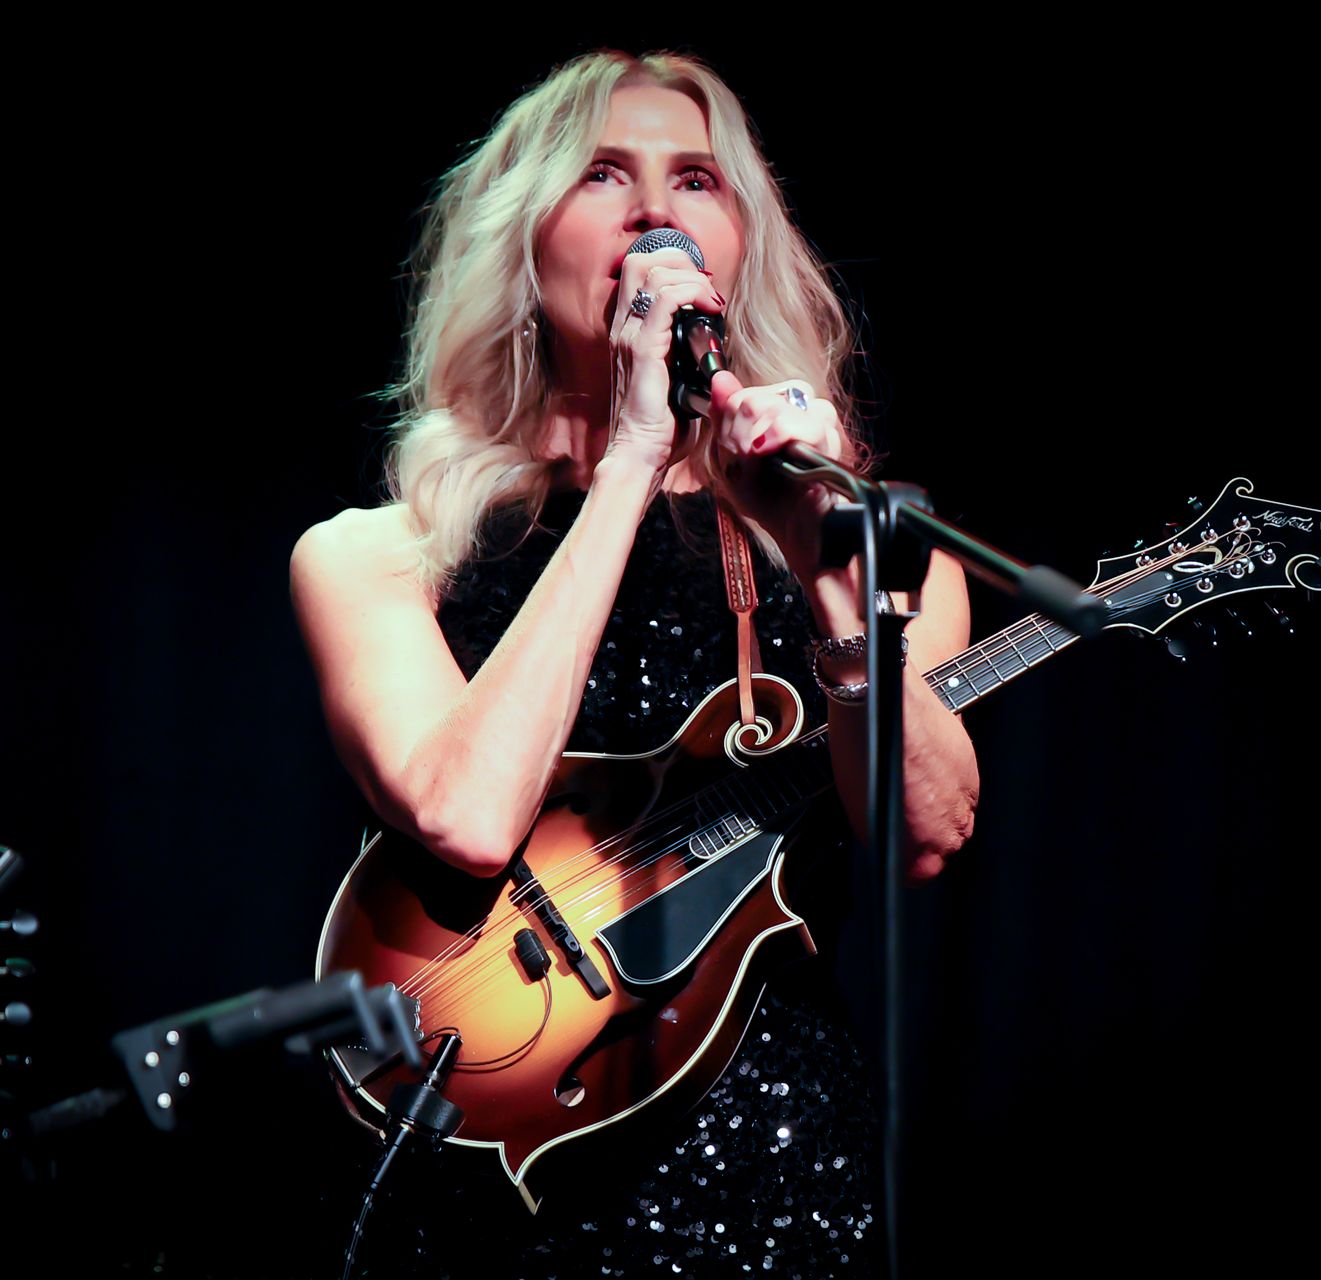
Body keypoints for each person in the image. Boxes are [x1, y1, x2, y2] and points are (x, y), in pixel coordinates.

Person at [290, 48, 979, 1279]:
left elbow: (923, 831)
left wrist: (824, 573)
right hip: (492, 1178)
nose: (656, 211)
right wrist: (632, 456)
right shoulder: (378, 554)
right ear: (523, 238)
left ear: (739, 247)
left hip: (776, 1173)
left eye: (696, 181)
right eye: (603, 173)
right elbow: (464, 813)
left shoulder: (863, 544)